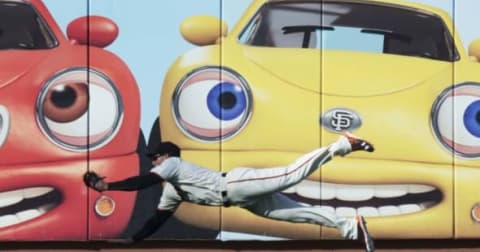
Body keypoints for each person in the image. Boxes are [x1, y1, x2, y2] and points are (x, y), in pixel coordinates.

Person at [84, 132, 375, 252]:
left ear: (164, 156)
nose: (153, 160)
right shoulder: (172, 189)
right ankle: (351, 227)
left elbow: (143, 181)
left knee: (290, 174)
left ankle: (341, 144)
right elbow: (158, 219)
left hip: (237, 184)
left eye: (154, 157)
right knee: (299, 215)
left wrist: (107, 186)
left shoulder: (171, 164)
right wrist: (133, 240)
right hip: (243, 201)